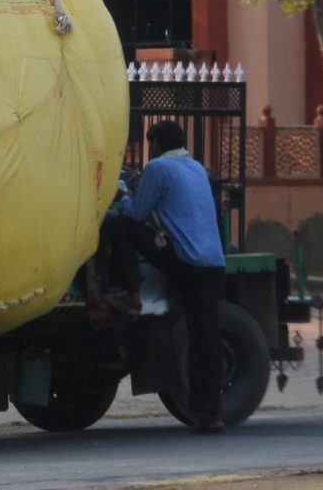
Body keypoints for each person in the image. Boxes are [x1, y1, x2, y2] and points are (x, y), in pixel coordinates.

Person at [100, 118, 227, 434]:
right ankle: (210, 412)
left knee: (119, 223)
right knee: (206, 337)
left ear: (155, 144)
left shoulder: (158, 168)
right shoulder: (196, 167)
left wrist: (123, 194)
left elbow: (137, 214)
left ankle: (130, 291)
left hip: (187, 263)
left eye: (150, 144)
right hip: (214, 263)